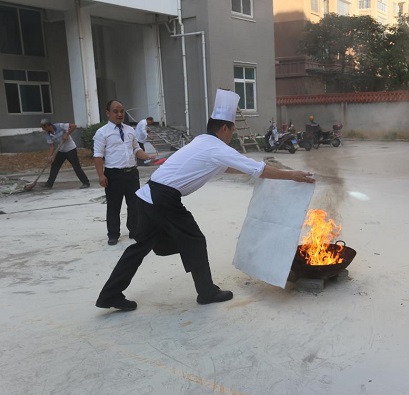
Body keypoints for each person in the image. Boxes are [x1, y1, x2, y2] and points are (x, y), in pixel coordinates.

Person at [95, 89, 315, 311]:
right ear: (223, 128)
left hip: (149, 196)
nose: (233, 135)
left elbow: (226, 167)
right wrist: (292, 175)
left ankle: (109, 295)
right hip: (164, 199)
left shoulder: (203, 141)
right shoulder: (216, 146)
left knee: (140, 247)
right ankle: (207, 291)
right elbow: (257, 168)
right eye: (232, 130)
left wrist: (253, 172)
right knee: (195, 240)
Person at [93, 100, 156, 246]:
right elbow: (97, 155)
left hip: (131, 173)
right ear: (108, 113)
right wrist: (101, 175)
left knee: (134, 204)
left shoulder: (129, 130)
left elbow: (135, 149)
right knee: (114, 206)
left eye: (121, 111)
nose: (119, 114)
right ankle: (113, 234)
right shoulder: (102, 133)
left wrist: (146, 156)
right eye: (115, 111)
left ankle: (134, 230)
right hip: (113, 175)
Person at [40, 118, 91, 189]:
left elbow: (74, 126)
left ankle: (86, 183)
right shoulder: (48, 135)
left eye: (43, 127)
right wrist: (50, 156)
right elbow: (51, 146)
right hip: (61, 150)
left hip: (70, 149)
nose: (43, 129)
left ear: (48, 126)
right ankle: (49, 184)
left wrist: (67, 134)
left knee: (76, 166)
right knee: (55, 166)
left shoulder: (59, 126)